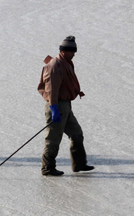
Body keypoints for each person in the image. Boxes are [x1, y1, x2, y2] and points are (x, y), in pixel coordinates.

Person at [37, 36, 94, 176]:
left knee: (77, 134)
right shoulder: (55, 66)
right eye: (72, 51)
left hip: (66, 106)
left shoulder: (66, 62)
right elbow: (52, 90)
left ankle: (79, 164)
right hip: (56, 105)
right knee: (53, 139)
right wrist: (54, 109)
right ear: (64, 51)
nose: (74, 54)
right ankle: (47, 168)